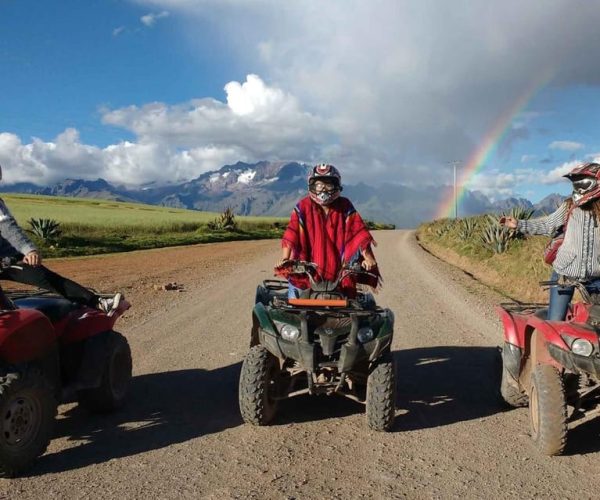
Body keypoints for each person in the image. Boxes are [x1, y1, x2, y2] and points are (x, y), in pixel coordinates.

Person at [0, 166, 122, 316]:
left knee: (46, 278)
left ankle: (98, 302)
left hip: (6, 260)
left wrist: (29, 250)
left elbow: (8, 227)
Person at [501, 161, 600, 320]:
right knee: (555, 321)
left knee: (595, 325)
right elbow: (548, 225)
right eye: (576, 182)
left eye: (583, 181)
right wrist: (519, 224)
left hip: (595, 278)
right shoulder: (569, 207)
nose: (578, 186)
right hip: (564, 274)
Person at [275, 163, 380, 298]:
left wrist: (368, 258)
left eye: (328, 185)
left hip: (339, 272)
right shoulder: (303, 206)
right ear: (312, 186)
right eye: (319, 185)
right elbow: (292, 233)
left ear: (336, 185)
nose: (323, 189)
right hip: (306, 270)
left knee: (352, 307)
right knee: (294, 305)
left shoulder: (345, 206)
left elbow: (358, 232)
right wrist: (285, 259)